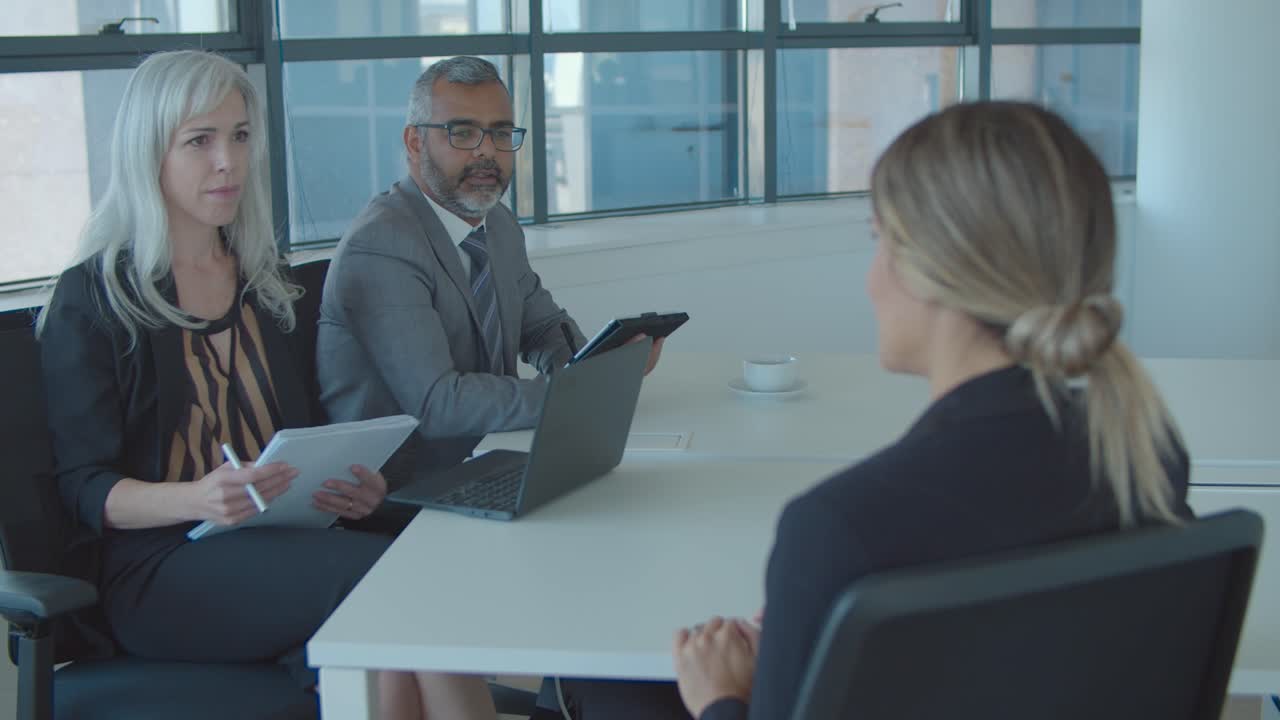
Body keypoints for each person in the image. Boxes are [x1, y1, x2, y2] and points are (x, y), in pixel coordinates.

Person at [558, 102, 1195, 719]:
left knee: (602, 686)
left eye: (879, 242)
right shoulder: (1147, 457)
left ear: (931, 273)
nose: (871, 277)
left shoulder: (838, 528)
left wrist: (721, 696)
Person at [37, 50, 496, 720]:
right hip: (159, 567)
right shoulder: (94, 297)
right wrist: (198, 497)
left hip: (276, 541)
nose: (228, 160)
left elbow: (298, 436)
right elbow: (85, 490)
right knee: (385, 586)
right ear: (149, 153)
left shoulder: (264, 281)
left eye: (240, 135)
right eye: (200, 141)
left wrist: (351, 486)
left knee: (402, 593)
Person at [317, 56, 662, 487]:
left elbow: (543, 328)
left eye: (500, 133)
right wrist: (574, 395)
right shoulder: (383, 245)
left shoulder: (496, 223)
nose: (486, 151)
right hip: (405, 489)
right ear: (414, 143)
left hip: (494, 457)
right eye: (462, 133)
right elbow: (439, 405)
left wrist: (600, 364)